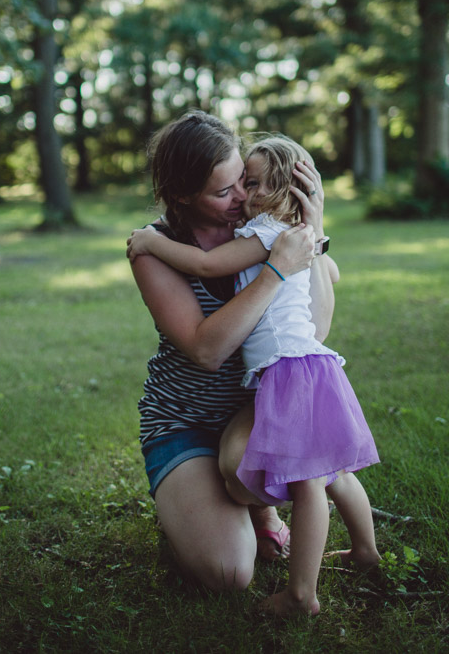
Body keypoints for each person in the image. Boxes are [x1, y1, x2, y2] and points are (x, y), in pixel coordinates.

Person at [128, 133, 380, 617]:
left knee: (284, 474)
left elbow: (317, 327)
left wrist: (315, 228)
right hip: (187, 420)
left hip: (258, 404)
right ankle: (192, 501)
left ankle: (262, 518)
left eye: (244, 180)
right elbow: (207, 351)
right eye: (225, 191)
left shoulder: (271, 227)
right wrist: (277, 271)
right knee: (229, 574)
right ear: (183, 195)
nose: (241, 197)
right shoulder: (160, 246)